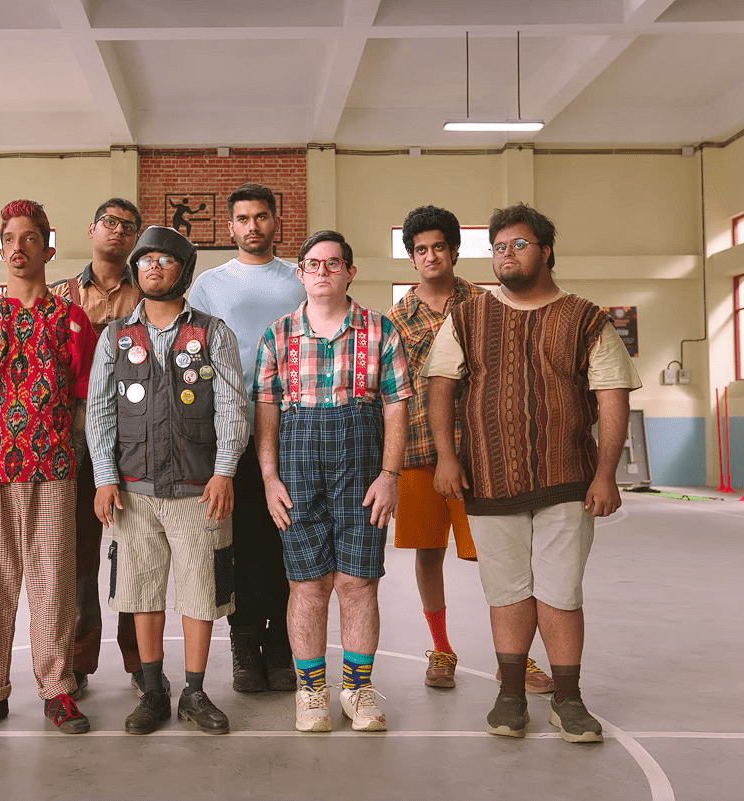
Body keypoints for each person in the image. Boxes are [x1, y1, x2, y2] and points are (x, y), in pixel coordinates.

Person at [426, 203, 640, 742]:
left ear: (546, 250)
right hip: (490, 480)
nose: (507, 254)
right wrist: (448, 457)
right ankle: (511, 696)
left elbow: (611, 397)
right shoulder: (466, 317)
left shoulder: (588, 319)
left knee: (561, 593)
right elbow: (441, 386)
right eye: (498, 247)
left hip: (568, 478)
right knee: (507, 592)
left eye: (518, 244)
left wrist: (607, 473)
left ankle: (568, 700)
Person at [0, 199, 98, 736]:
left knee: (53, 583)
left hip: (53, 469)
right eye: (8, 238)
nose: (17, 248)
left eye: (28, 238)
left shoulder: (71, 319)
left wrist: (69, 446)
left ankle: (58, 689)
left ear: (47, 248)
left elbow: (84, 393)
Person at [386, 206, 554, 696]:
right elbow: (391, 395)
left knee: (501, 558)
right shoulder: (396, 319)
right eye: (420, 249)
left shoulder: (488, 304)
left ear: (455, 250)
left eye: (439, 246)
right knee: (427, 553)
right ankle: (441, 648)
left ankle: (515, 658)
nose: (431, 256)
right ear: (412, 257)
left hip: (483, 451)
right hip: (419, 452)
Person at [86, 226, 247, 735]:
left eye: (166, 259)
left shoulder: (213, 333)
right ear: (136, 269)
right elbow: (98, 413)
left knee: (202, 593)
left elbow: (231, 408)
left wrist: (224, 472)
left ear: (185, 270)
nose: (154, 266)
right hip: (134, 491)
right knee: (141, 592)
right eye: (146, 258)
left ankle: (195, 693)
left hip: (198, 491)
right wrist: (105, 478)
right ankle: (153, 690)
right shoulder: (115, 337)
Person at [254, 229, 411, 733]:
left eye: (333, 263)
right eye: (313, 265)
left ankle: (358, 689)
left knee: (358, 582)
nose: (323, 272)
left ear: (350, 271)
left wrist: (390, 475)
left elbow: (397, 405)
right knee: (308, 583)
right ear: (300, 273)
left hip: (363, 465)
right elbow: (267, 410)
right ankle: (312, 690)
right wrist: (269, 476)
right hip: (297, 465)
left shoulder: (380, 330)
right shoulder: (277, 334)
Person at [187, 183, 306, 694]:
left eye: (261, 216)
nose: (252, 226)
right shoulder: (209, 285)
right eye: (242, 218)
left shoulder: (301, 280)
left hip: (292, 429)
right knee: (236, 542)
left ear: (275, 222)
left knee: (283, 537)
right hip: (228, 430)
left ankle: (280, 645)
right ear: (230, 226)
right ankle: (242, 645)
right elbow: (190, 354)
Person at [49, 198, 145, 695]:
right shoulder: (59, 295)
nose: (118, 232)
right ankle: (78, 661)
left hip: (137, 441)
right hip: (73, 439)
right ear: (91, 229)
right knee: (77, 556)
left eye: (129, 227)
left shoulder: (150, 294)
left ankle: (139, 660)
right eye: (110, 223)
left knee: (135, 552)